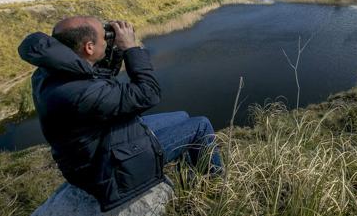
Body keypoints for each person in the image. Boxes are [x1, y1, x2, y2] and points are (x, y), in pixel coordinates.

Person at [18, 16, 223, 212]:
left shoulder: (52, 71)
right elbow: (148, 94)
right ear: (88, 47)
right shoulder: (81, 94)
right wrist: (131, 49)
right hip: (111, 170)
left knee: (182, 116)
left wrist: (114, 49)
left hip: (103, 144)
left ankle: (189, 172)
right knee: (200, 125)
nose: (106, 39)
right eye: (102, 37)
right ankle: (215, 189)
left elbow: (97, 75)